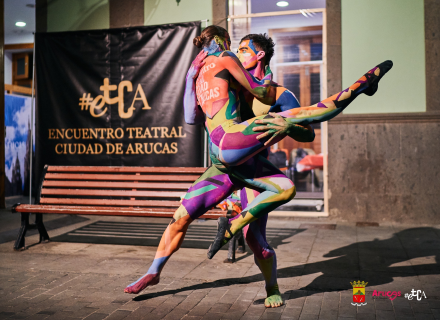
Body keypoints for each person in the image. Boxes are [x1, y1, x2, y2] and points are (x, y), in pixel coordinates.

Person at [124, 26, 392, 308]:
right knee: (180, 216)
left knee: (255, 240)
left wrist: (288, 124)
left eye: (243, 50)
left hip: (253, 169)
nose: (237, 54)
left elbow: (309, 134)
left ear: (259, 55)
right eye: (235, 50)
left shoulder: (279, 93)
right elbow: (197, 112)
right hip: (225, 166)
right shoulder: (231, 78)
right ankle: (153, 272)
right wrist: (192, 78)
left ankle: (271, 287)